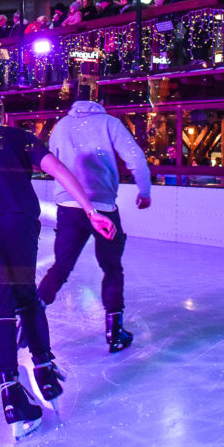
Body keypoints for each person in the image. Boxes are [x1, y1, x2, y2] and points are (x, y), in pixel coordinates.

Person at [0, 93, 115, 440]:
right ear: (4, 115)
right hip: (17, 226)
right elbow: (60, 172)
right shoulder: (23, 138)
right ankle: (44, 368)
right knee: (26, 297)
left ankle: (11, 393)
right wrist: (91, 211)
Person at [35, 90, 151, 354]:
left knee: (61, 267)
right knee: (112, 269)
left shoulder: (61, 125)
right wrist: (144, 191)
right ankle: (114, 331)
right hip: (103, 207)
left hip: (68, 207)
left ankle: (28, 322)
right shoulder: (110, 123)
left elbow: (50, 162)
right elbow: (136, 159)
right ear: (101, 102)